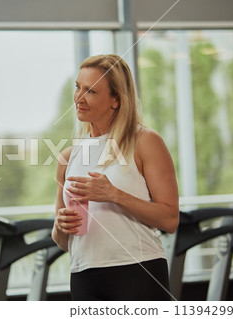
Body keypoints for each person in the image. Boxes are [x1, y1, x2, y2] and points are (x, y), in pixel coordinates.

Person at [52, 54, 179, 301]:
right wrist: (60, 227)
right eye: (78, 87)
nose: (78, 97)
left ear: (116, 100)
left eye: (90, 91)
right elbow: (62, 242)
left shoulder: (145, 142)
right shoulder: (68, 157)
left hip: (137, 271)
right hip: (83, 275)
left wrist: (114, 195)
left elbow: (170, 219)